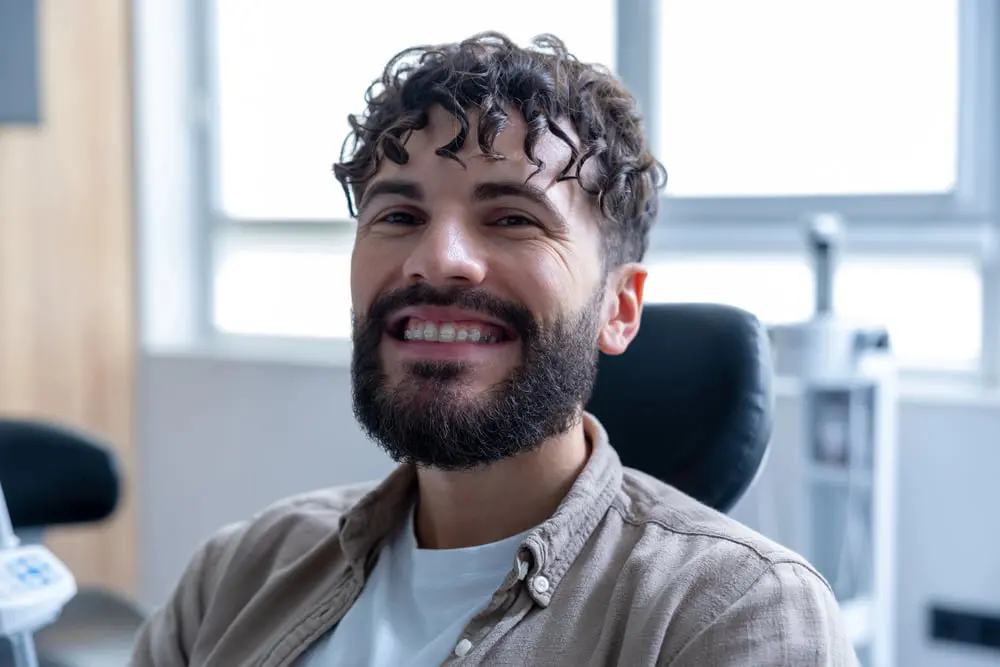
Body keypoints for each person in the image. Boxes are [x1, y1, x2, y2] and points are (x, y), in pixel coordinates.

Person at [129, 32, 858, 666]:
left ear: (619, 306)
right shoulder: (241, 569)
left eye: (511, 217)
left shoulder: (733, 614)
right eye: (400, 214)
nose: (437, 258)